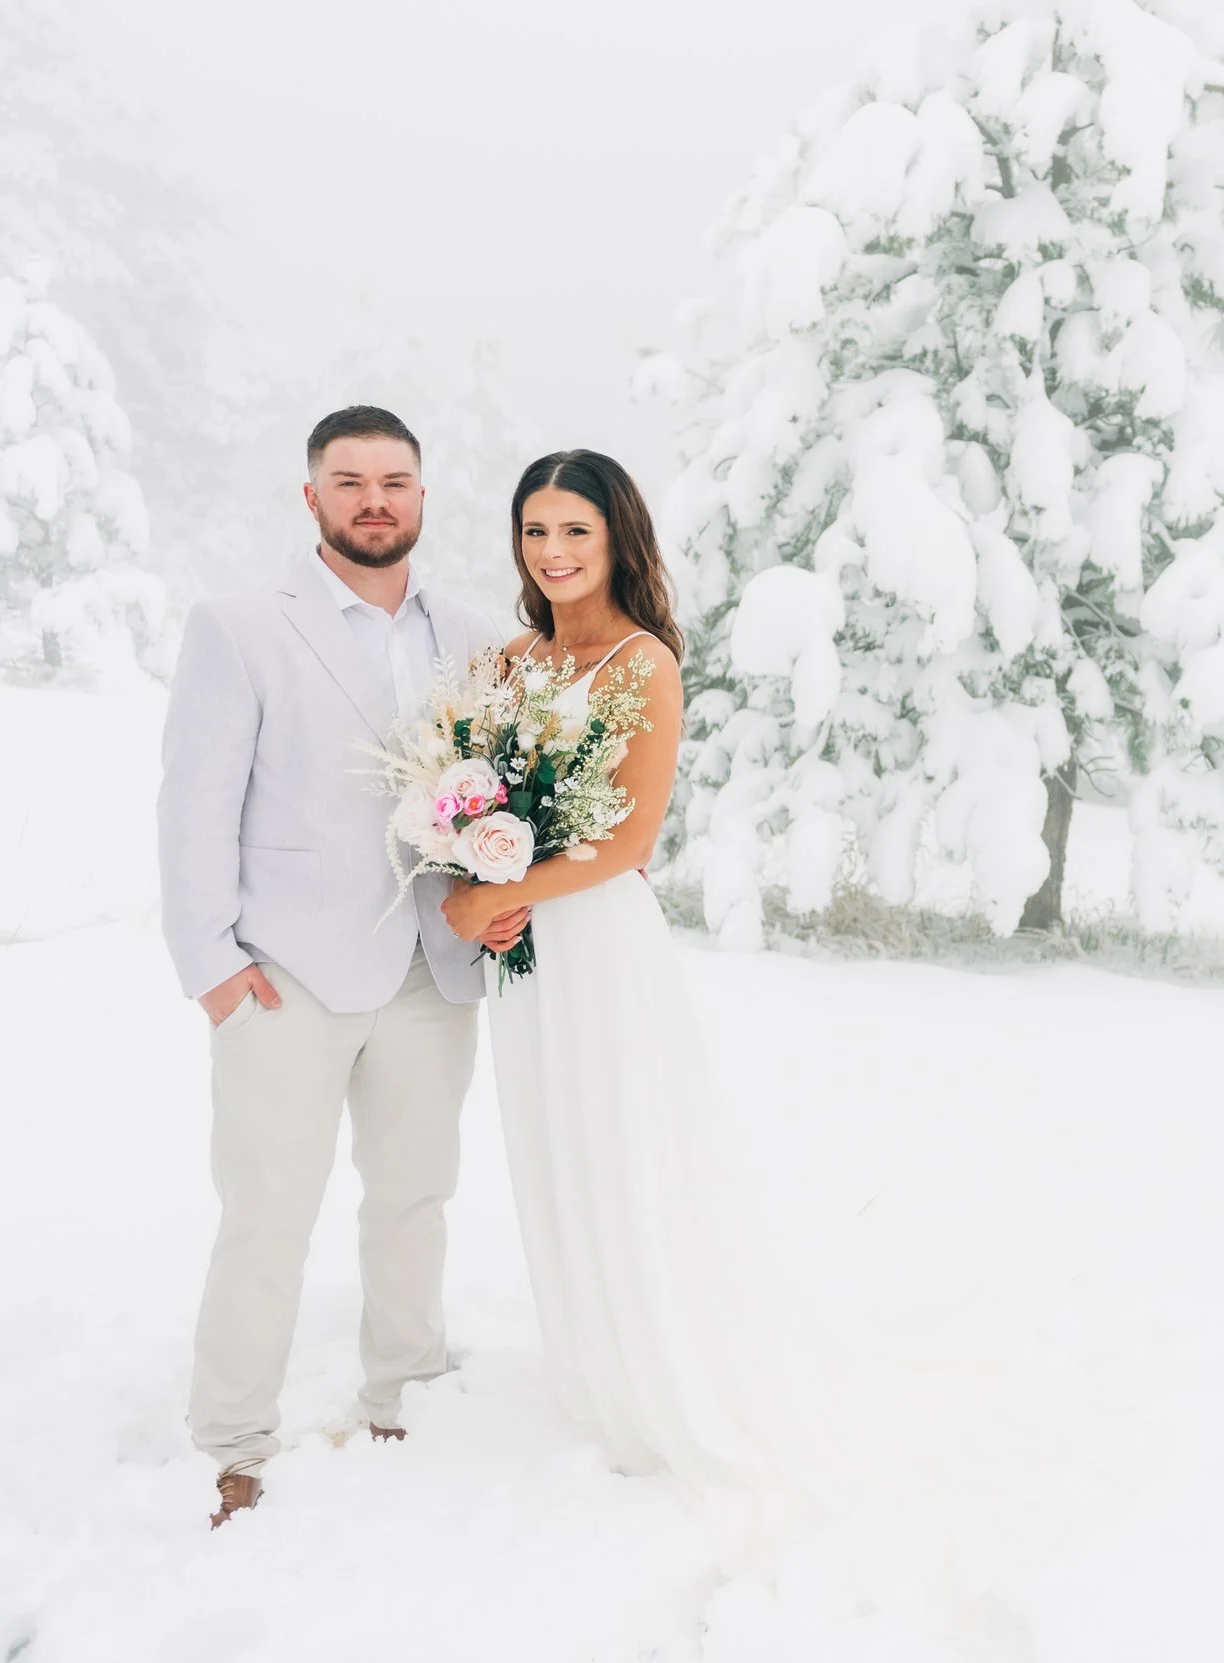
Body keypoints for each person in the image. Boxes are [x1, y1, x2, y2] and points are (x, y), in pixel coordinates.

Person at [438, 451, 846, 1519]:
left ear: (618, 536)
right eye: (535, 531)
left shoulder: (641, 663)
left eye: (575, 529)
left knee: (616, 1142)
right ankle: (585, 1363)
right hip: (520, 951)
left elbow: (626, 842)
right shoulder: (510, 658)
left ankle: (652, 1377)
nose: (553, 552)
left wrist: (495, 893)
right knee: (549, 1144)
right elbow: (463, 795)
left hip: (594, 943)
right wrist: (463, 876)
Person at [155, 406, 524, 1528]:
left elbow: (500, 792)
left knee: (415, 1197)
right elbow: (192, 806)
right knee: (268, 1210)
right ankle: (233, 1438)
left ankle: (404, 1394)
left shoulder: (471, 633)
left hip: (431, 964)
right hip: (286, 975)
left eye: (396, 481)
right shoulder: (239, 628)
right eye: (350, 479)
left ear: (422, 497)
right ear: (310, 497)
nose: (375, 499)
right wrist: (211, 966)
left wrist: (506, 896)